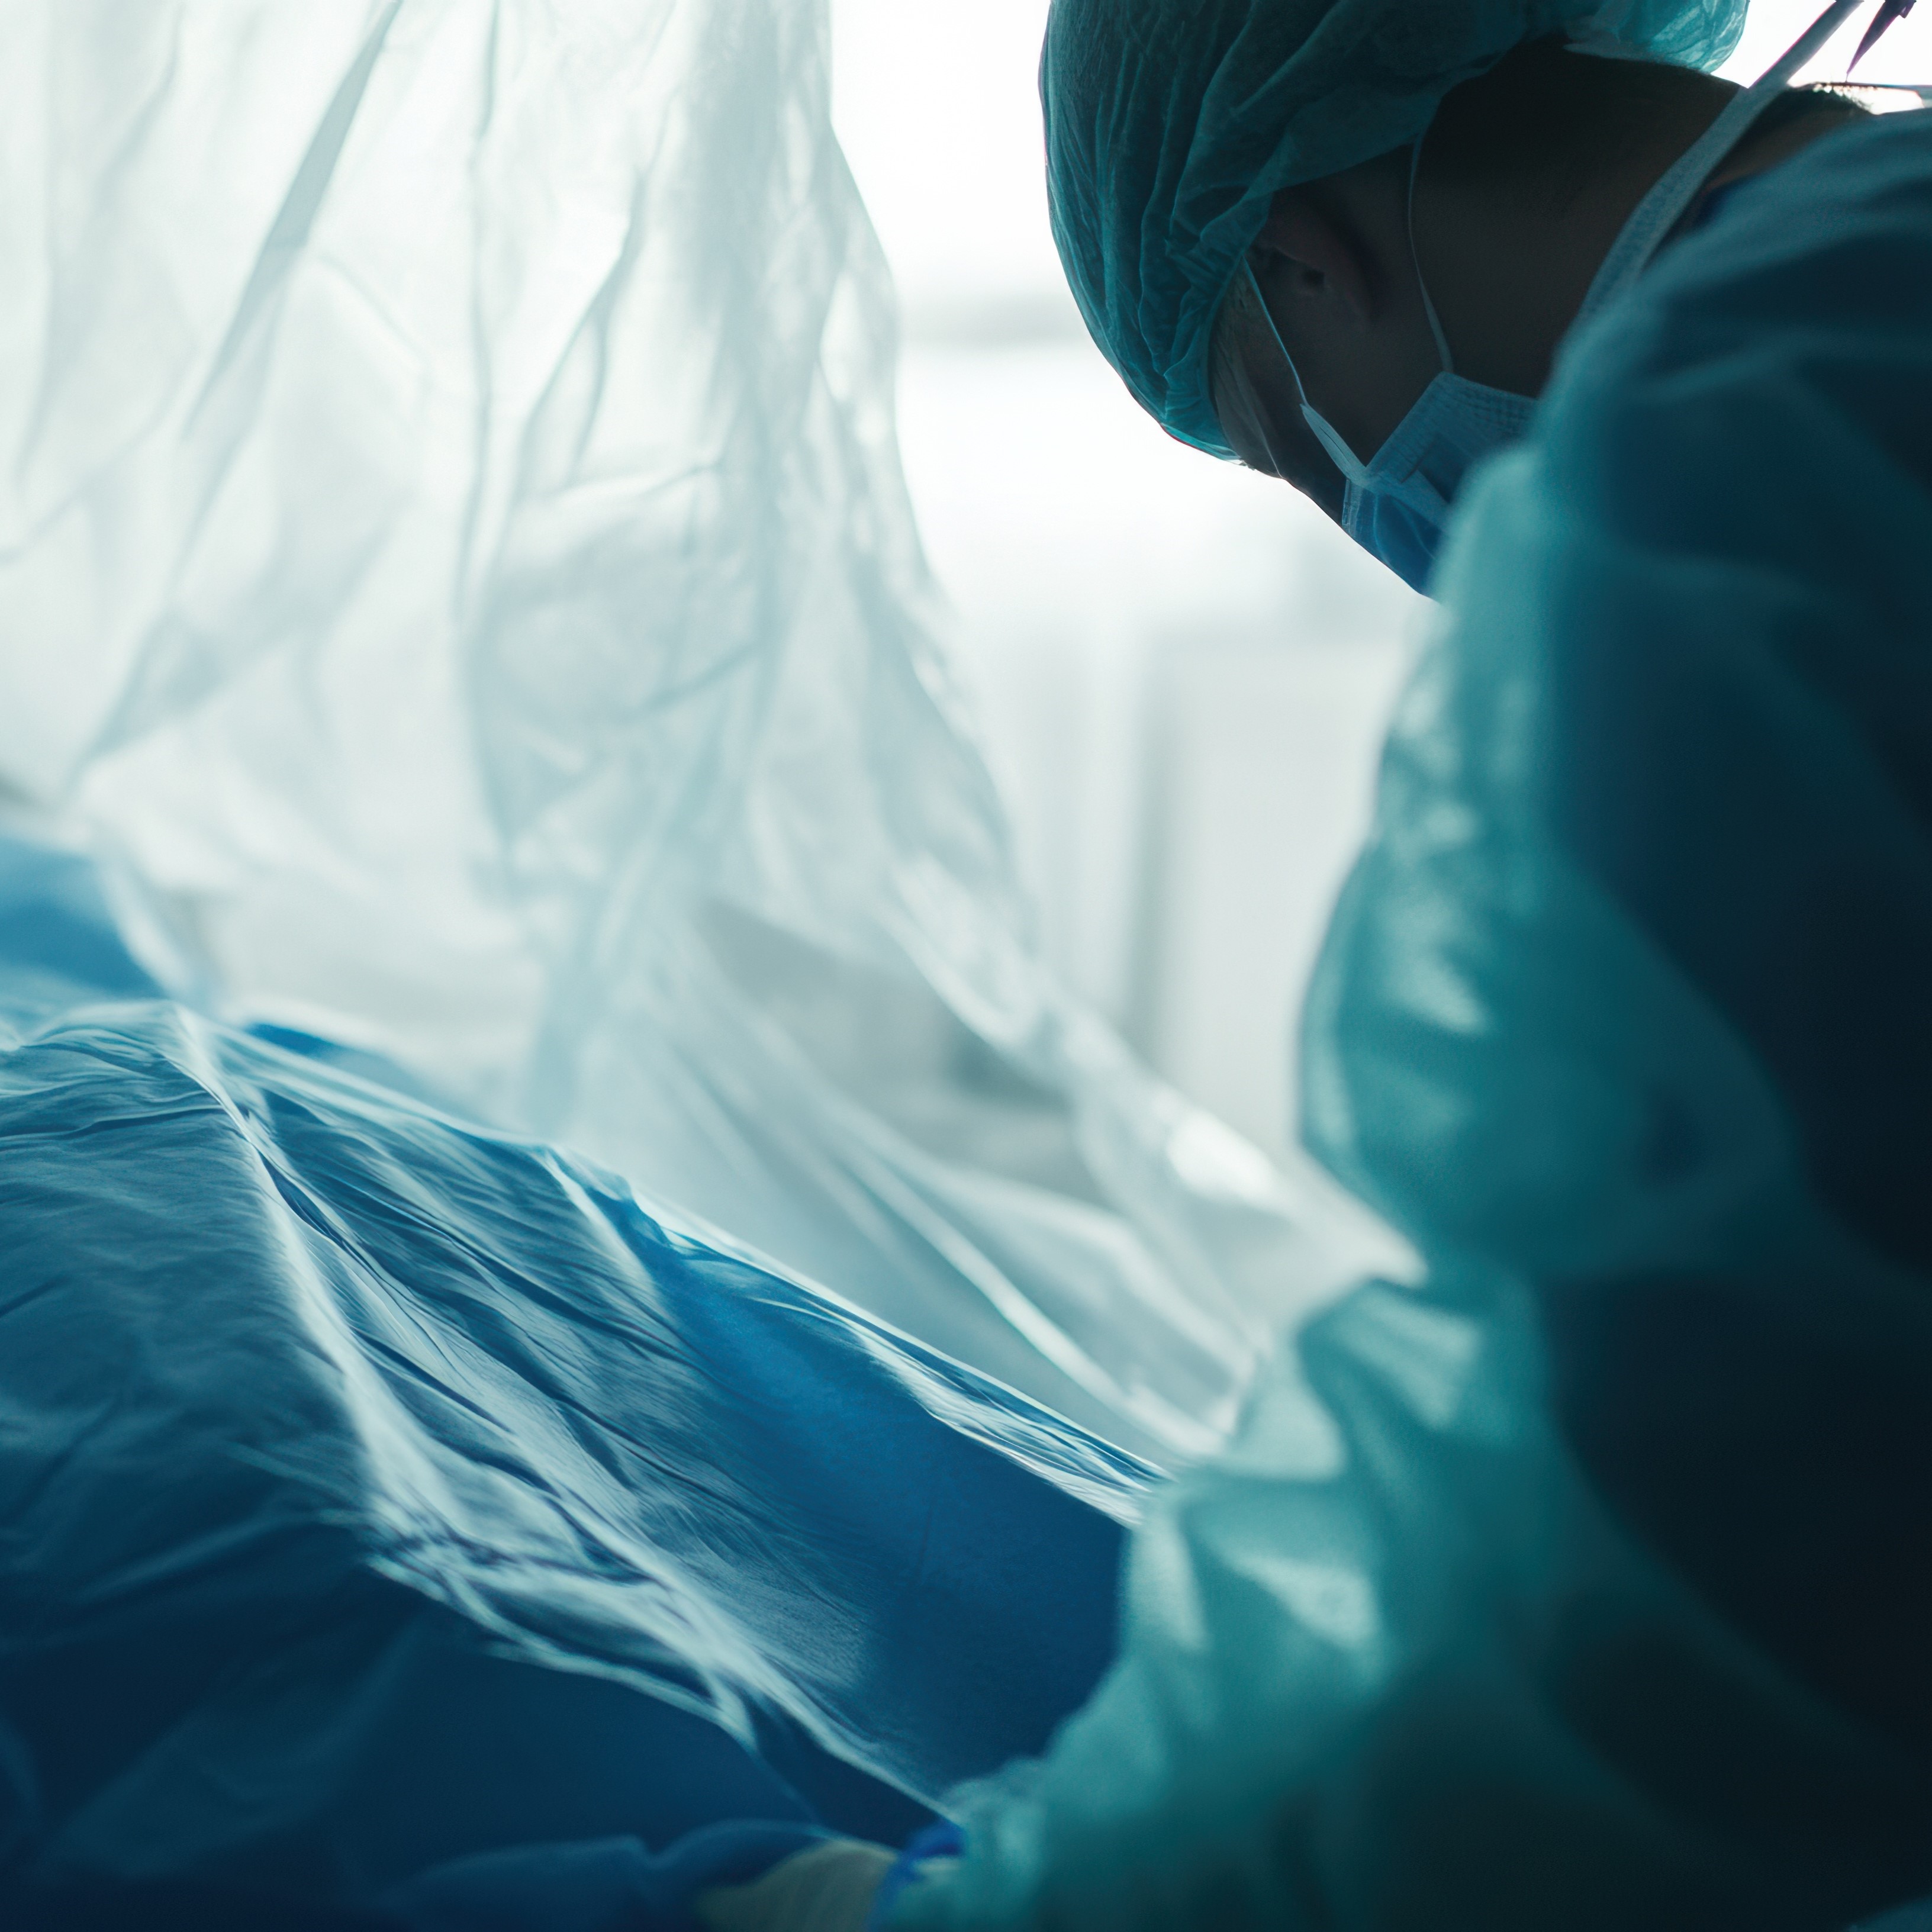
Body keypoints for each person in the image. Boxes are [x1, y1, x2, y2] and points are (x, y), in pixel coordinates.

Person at [705, 0, 1932, 1924]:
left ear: (1305, 257)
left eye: (1299, 453)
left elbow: (1712, 1609)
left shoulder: (1753, 464)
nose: (1377, 518)